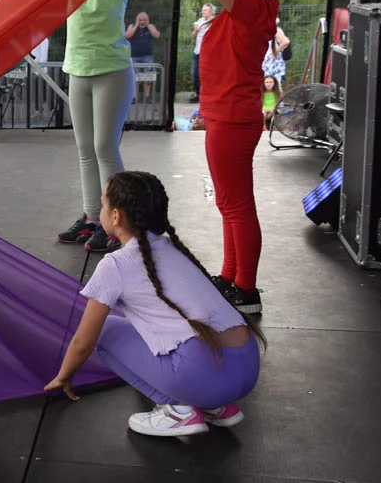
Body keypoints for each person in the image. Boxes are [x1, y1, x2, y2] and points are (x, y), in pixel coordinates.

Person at [45, 171, 265, 437]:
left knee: (106, 330)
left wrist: (64, 376)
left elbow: (83, 341)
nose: (100, 210)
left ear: (115, 216)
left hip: (202, 374)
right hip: (248, 367)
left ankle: (180, 410)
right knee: (160, 329)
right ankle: (216, 407)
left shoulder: (115, 265)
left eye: (102, 204)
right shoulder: (173, 248)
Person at [149, 0, 277, 315]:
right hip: (227, 117)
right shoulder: (249, 9)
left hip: (234, 120)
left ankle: (247, 290)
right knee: (229, 203)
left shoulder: (251, 11)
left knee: (237, 204)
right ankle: (231, 278)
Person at [18, 0, 135, 254]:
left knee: (104, 147)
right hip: (79, 70)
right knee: (85, 148)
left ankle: (115, 223)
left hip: (112, 70)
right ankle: (91, 217)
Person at [191, 4, 215, 103]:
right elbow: (193, 36)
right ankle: (199, 94)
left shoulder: (214, 22)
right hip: (197, 51)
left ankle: (207, 95)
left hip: (208, 53)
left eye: (205, 10)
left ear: (210, 11)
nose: (203, 12)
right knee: (195, 74)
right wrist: (195, 30)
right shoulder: (200, 21)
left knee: (207, 75)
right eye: (202, 10)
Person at [263, 17, 290, 85]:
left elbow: (286, 41)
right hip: (268, 62)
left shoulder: (275, 31)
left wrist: (275, 51)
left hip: (271, 63)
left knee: (272, 84)